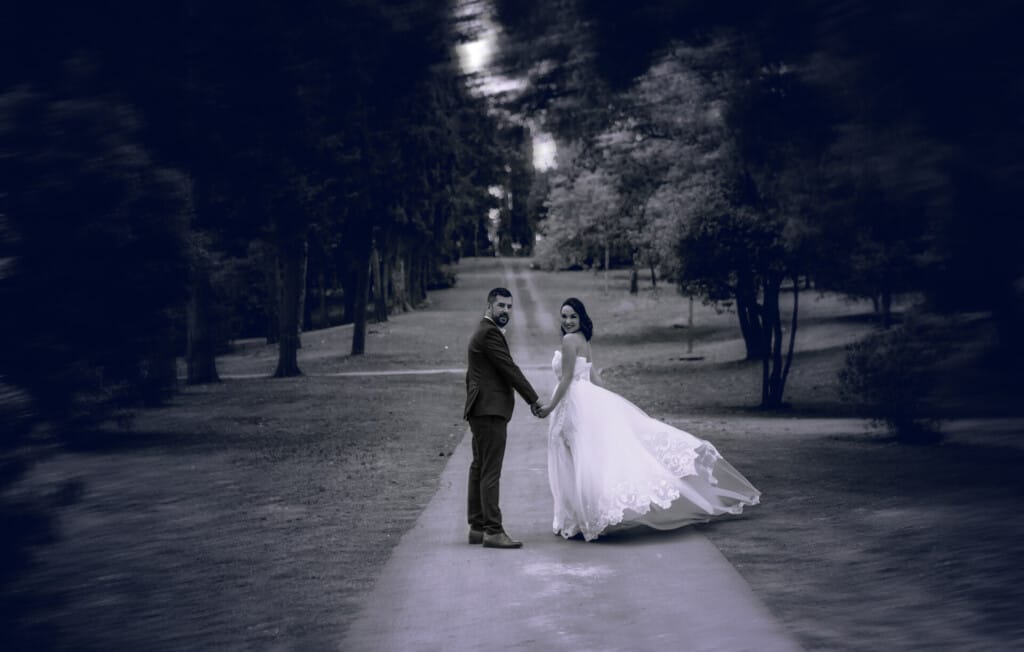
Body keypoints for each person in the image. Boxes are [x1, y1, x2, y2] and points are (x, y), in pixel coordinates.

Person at [537, 297, 760, 541]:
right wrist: (610, 403)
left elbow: (567, 378)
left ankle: (581, 517)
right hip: (584, 401)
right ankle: (584, 516)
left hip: (573, 403)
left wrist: (550, 407)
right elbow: (594, 377)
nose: (568, 321)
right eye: (564, 316)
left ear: (581, 317)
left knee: (576, 458)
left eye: (573, 316)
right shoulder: (583, 339)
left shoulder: (570, 340)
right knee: (584, 457)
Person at [464, 287, 546, 549]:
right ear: (489, 305)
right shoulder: (489, 333)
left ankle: (477, 527)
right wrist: (533, 399)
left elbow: (473, 374)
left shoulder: (483, 330)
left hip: (480, 409)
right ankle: (493, 530)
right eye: (501, 305)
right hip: (490, 410)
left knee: (479, 467)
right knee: (490, 471)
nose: (506, 311)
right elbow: (509, 369)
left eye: (509, 306)